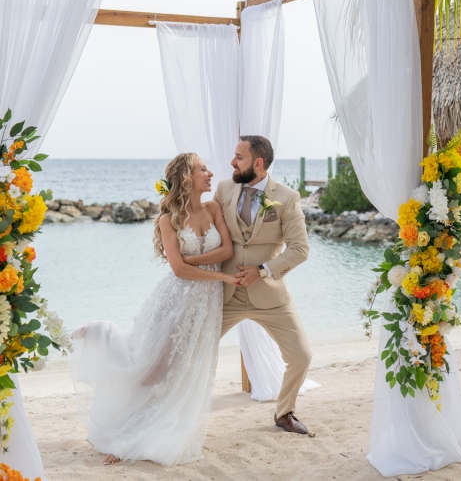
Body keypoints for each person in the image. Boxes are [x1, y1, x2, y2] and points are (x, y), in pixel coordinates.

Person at [71, 153, 239, 466]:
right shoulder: (168, 218)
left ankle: (155, 429)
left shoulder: (214, 207)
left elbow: (226, 249)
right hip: (175, 302)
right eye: (204, 168)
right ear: (188, 178)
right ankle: (101, 335)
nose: (211, 172)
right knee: (151, 371)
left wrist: (192, 260)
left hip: (205, 305)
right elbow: (178, 271)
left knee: (183, 372)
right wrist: (220, 274)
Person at [213, 135, 312, 434]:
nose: (232, 161)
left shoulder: (286, 197)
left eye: (239, 157)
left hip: (269, 295)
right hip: (225, 293)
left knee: (301, 356)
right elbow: (209, 231)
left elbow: (300, 249)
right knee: (195, 349)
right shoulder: (223, 189)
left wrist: (263, 270)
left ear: (257, 162)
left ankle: (284, 412)